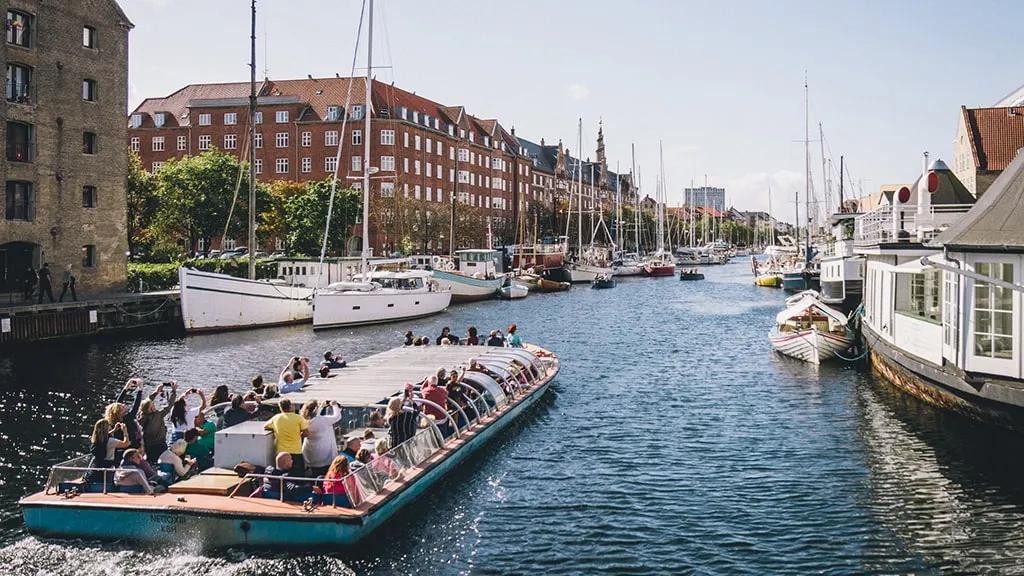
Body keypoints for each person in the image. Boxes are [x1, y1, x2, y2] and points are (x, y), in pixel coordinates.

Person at [263, 399, 309, 473]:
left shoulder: (276, 418)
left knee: (282, 475)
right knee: (298, 475)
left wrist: (276, 429)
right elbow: (306, 433)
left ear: (280, 407)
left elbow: (265, 426)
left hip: (281, 453)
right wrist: (298, 436)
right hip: (296, 451)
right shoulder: (298, 418)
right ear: (290, 406)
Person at [300, 400, 342, 477]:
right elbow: (337, 416)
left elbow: (314, 417)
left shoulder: (303, 421)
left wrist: (320, 407)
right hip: (325, 457)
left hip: (310, 456)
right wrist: (334, 405)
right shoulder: (323, 420)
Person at [139, 381, 177, 464]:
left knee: (150, 462)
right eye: (153, 405)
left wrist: (156, 392)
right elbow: (170, 405)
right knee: (163, 462)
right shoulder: (158, 415)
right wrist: (173, 391)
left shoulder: (141, 416)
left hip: (148, 444)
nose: (154, 405)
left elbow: (146, 403)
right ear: (151, 408)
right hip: (160, 444)